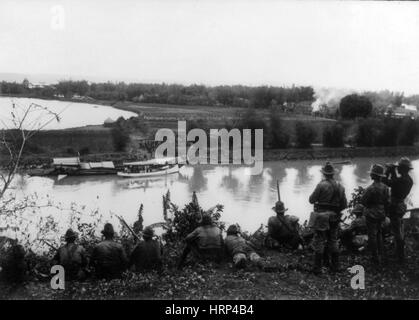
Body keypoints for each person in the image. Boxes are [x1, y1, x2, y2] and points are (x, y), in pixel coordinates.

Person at [309, 161, 347, 274]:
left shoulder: (321, 185)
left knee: (320, 240)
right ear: (333, 174)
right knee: (333, 240)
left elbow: (311, 200)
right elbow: (344, 205)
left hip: (321, 216)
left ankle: (318, 268)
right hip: (334, 216)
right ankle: (335, 266)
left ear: (324, 174)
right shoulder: (340, 186)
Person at [383, 157, 414, 263]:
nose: (398, 169)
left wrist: (389, 171)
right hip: (401, 205)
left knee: (397, 232)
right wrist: (393, 172)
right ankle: (399, 253)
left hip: (395, 206)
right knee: (399, 228)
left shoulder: (402, 180)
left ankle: (400, 257)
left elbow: (386, 181)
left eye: (399, 168)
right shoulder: (408, 180)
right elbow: (395, 182)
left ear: (403, 168)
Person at [361, 164, 390, 266]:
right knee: (379, 233)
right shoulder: (386, 188)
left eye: (372, 174)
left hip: (371, 214)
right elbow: (387, 201)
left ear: (374, 175)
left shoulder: (370, 188)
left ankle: (375, 257)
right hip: (381, 213)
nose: (370, 176)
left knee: (372, 235)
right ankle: (381, 255)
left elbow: (363, 201)